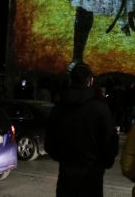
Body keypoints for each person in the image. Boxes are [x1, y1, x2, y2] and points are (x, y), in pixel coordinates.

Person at [44, 63, 119, 197]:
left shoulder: (59, 108)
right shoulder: (100, 108)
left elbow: (49, 143)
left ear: (71, 80)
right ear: (90, 80)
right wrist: (104, 163)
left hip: (67, 176)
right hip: (92, 177)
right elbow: (110, 142)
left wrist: (63, 159)